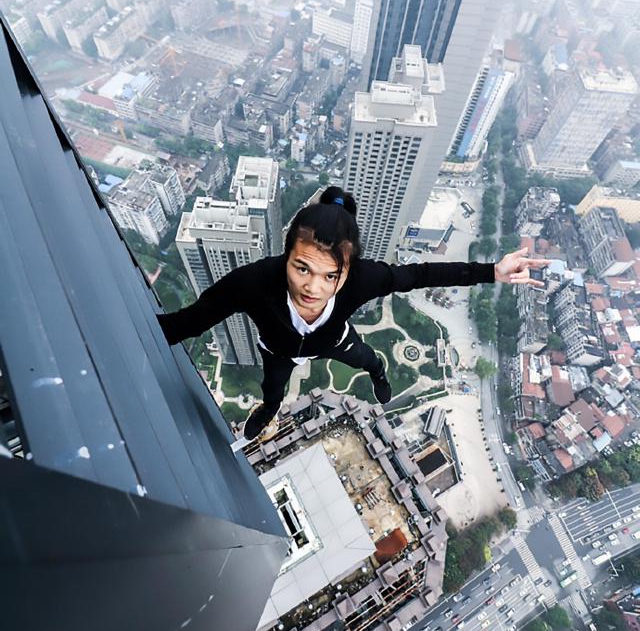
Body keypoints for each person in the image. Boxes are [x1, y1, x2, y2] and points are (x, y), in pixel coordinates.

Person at [157, 186, 548, 441]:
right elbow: (194, 319)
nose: (314, 288)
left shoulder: (364, 278)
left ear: (348, 268)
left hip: (336, 340)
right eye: (302, 268)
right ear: (286, 255)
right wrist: (150, 332)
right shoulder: (256, 281)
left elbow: (422, 274)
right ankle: (270, 409)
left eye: (331, 275)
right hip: (277, 350)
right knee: (272, 389)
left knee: (367, 358)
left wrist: (491, 272)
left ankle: (379, 374)